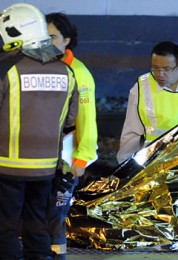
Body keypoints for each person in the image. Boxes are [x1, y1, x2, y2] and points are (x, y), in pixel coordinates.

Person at [0, 3, 78, 259]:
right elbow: (70, 120)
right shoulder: (67, 72)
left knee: (7, 225)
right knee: (37, 223)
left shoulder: (7, 70)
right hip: (45, 167)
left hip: (7, 166)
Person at [46, 12, 98, 259]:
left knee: (55, 219)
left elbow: (87, 120)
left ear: (66, 40)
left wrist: (81, 159)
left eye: (52, 37)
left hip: (66, 162)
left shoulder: (79, 73)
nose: (47, 42)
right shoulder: (39, 68)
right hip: (39, 160)